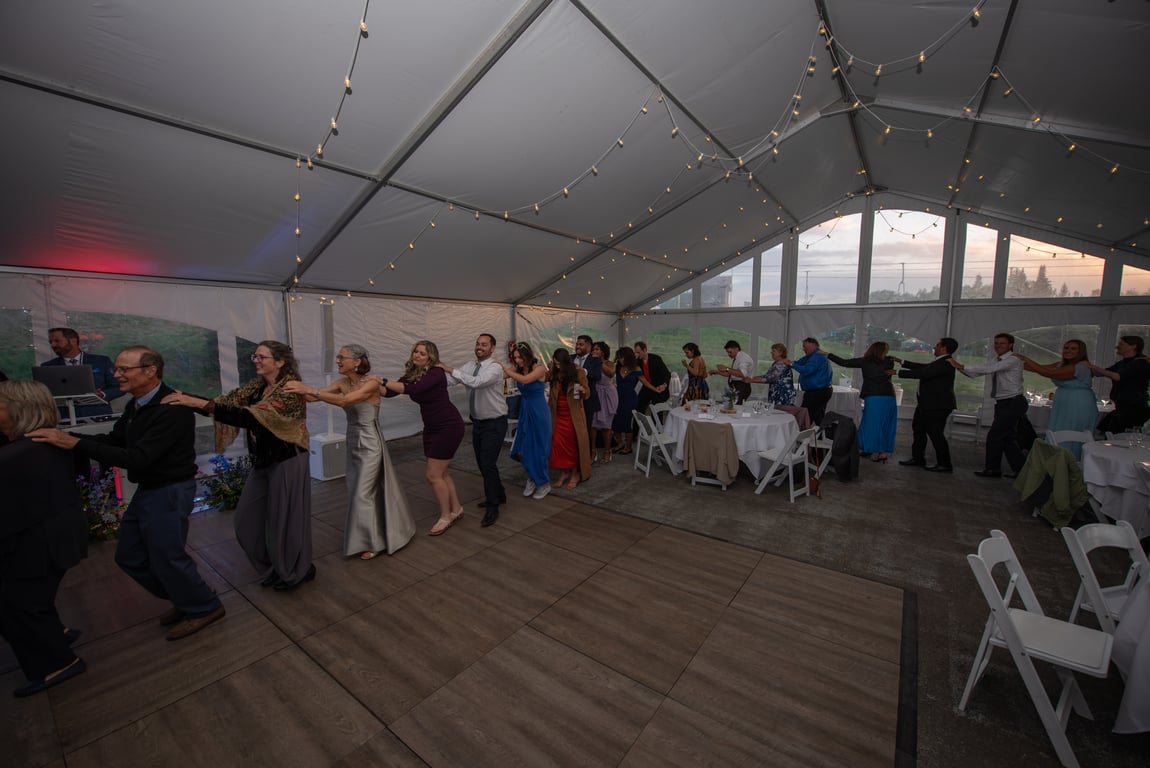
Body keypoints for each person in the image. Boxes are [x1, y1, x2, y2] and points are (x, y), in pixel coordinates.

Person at [33, 346, 226, 638]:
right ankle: (187, 596)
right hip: (152, 489)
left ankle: (203, 605)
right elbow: (115, 440)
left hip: (170, 490)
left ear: (150, 371)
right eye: (118, 369)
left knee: (167, 556)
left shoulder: (172, 408)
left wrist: (73, 444)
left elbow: (138, 458)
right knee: (129, 555)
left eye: (124, 369)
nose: (116, 375)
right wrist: (66, 438)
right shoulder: (136, 404)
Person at [167, 341, 313, 590]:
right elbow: (226, 404)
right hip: (263, 462)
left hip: (288, 460)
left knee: (285, 521)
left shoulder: (290, 390)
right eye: (254, 356)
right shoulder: (257, 387)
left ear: (279, 362)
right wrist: (190, 399)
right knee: (245, 521)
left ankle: (294, 571)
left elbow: (249, 417)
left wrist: (195, 403)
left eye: (261, 356)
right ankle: (274, 566)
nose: (255, 360)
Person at [283, 344, 415, 560]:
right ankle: (372, 535)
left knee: (363, 493)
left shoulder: (371, 383)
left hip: (371, 441)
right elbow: (312, 398)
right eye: (337, 357)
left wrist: (309, 390)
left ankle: (373, 542)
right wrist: (293, 384)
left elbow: (345, 401)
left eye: (341, 357)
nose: (337, 361)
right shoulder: (342, 383)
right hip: (353, 441)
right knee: (357, 490)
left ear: (357, 361)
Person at [0, 380, 88, 697]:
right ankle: (54, 638)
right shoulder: (47, 444)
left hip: (38, 543)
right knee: (28, 602)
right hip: (53, 537)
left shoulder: (19, 455)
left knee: (20, 605)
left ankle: (56, 663)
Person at [374, 341, 465, 536]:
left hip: (448, 426)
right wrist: (373, 385)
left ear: (430, 357)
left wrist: (381, 379)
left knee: (433, 475)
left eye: (422, 353)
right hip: (432, 427)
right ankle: (456, 509)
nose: (417, 355)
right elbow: (391, 391)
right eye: (416, 351)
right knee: (442, 473)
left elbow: (413, 390)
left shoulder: (436, 373)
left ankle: (445, 516)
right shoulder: (413, 374)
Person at [441, 333, 507, 528]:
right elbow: (451, 380)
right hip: (477, 423)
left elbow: (476, 382)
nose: (479, 347)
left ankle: (493, 506)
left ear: (493, 348)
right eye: (478, 344)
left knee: (487, 463)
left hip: (494, 423)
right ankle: (500, 494)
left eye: (484, 345)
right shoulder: (470, 366)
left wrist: (449, 368)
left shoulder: (495, 368)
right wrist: (433, 376)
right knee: (483, 463)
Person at [949, 333, 1029, 478]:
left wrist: (960, 365)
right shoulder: (995, 360)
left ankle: (993, 469)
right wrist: (959, 368)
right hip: (1004, 402)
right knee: (1007, 437)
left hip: (1013, 401)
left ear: (1010, 345)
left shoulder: (1013, 359)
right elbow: (975, 374)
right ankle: (1021, 470)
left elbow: (989, 369)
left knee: (995, 436)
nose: (998, 346)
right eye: (996, 343)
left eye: (1002, 343)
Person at [1014, 340, 1096, 460]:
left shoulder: (1080, 367)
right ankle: (1055, 461)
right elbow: (1038, 368)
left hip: (1079, 403)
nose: (1068, 351)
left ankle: (1071, 462)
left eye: (1073, 349)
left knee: (1072, 432)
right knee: (1057, 430)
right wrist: (1014, 362)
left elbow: (1047, 372)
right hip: (1063, 402)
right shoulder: (1061, 364)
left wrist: (1024, 357)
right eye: (1066, 348)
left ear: (1081, 352)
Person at [826, 342, 899, 462]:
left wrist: (828, 354)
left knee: (872, 424)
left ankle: (875, 450)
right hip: (888, 396)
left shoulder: (865, 361)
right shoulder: (889, 361)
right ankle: (876, 450)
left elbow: (844, 362)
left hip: (875, 396)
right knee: (884, 423)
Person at [897, 338, 958, 472]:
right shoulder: (940, 361)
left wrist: (897, 373)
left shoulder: (946, 363)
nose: (934, 347)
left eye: (937, 345)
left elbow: (923, 373)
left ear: (944, 348)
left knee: (936, 434)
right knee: (918, 430)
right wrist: (901, 362)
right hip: (926, 404)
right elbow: (923, 367)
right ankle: (918, 458)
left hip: (937, 406)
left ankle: (945, 464)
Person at [41, 327, 126, 419]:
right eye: (51, 342)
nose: (53, 345)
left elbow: (120, 386)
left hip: (97, 417)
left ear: (73, 341)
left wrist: (102, 394)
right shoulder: (48, 367)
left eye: (57, 341)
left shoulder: (101, 361)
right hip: (64, 419)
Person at [502, 342, 551, 499]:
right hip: (525, 410)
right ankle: (532, 477)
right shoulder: (517, 369)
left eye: (520, 357)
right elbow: (501, 375)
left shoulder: (539, 369)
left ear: (527, 356)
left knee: (539, 448)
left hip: (539, 411)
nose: (517, 361)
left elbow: (526, 380)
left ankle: (543, 483)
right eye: (515, 357)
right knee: (523, 447)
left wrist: (507, 370)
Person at [549, 348, 591, 490]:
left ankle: (575, 474)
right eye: (555, 363)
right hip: (557, 415)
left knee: (573, 445)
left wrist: (584, 391)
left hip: (573, 415)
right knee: (558, 445)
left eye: (559, 363)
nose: (557, 366)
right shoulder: (554, 373)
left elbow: (587, 392)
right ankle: (563, 472)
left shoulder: (578, 372)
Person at [1091, 335, 1150, 435]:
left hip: (1133, 408)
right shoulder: (1122, 363)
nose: (1118, 346)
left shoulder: (1140, 363)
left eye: (1121, 344)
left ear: (1133, 346)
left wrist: (1091, 366)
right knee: (1109, 433)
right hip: (1121, 407)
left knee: (1120, 436)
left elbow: (1118, 377)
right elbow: (1102, 373)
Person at [789, 337, 833, 425]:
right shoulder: (811, 356)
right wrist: (789, 363)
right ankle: (819, 436)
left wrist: (791, 364)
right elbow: (799, 363)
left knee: (805, 415)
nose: (803, 349)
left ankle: (801, 436)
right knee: (818, 416)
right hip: (822, 391)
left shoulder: (817, 357)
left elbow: (807, 370)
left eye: (805, 347)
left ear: (813, 346)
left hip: (817, 392)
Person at [589, 341, 618, 464]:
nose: (594, 351)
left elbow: (610, 374)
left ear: (603, 352)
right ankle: (593, 450)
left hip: (607, 395)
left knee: (607, 425)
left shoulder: (609, 363)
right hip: (595, 394)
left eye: (597, 349)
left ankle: (607, 451)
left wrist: (599, 361)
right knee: (593, 425)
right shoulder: (590, 363)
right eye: (593, 349)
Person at [612, 346, 642, 455]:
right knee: (615, 420)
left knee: (627, 422)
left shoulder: (636, 369)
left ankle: (628, 447)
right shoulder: (617, 367)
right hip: (617, 397)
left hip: (630, 398)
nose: (620, 360)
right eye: (619, 357)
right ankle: (620, 443)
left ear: (628, 357)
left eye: (622, 358)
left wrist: (656, 388)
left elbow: (645, 382)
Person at [633, 341, 671, 425]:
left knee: (657, 411)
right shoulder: (637, 362)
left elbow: (666, 374)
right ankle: (636, 433)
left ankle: (658, 431)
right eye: (635, 352)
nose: (637, 354)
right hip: (647, 388)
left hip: (658, 387)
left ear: (645, 350)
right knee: (639, 408)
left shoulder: (656, 359)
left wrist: (664, 385)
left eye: (638, 352)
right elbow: (636, 378)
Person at [573, 334, 603, 434]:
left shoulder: (595, 360)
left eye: (581, 344)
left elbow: (597, 376)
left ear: (589, 346)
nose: (578, 346)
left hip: (588, 399)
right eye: (577, 344)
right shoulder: (570, 358)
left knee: (586, 428)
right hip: (571, 398)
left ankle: (586, 449)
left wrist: (583, 371)